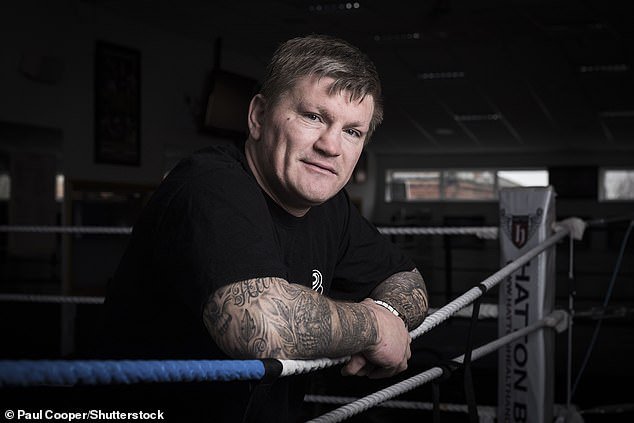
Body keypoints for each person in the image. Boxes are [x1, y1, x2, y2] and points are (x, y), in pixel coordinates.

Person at [103, 34, 428, 422]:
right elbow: (261, 323)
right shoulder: (209, 185)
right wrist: (375, 327)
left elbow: (408, 280)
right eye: (313, 117)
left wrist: (388, 310)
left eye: (352, 131)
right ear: (258, 116)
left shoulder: (331, 207)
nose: (331, 146)